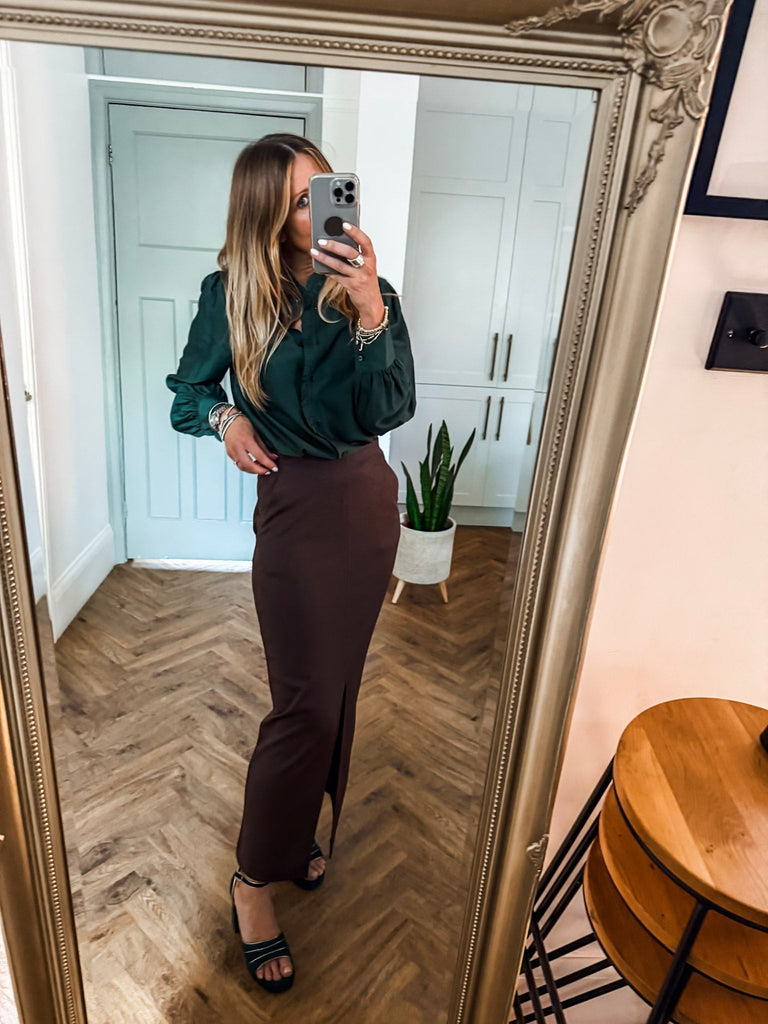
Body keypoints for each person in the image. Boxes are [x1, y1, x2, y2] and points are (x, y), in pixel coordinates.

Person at [166, 133, 416, 994]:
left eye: (325, 193)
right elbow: (189, 392)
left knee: (335, 691)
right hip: (295, 507)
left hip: (366, 500)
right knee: (303, 705)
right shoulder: (230, 295)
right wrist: (225, 421)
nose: (318, 213)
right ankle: (252, 878)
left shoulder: (367, 289)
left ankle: (296, 828)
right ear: (267, 215)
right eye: (300, 201)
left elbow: (391, 407)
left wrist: (371, 309)